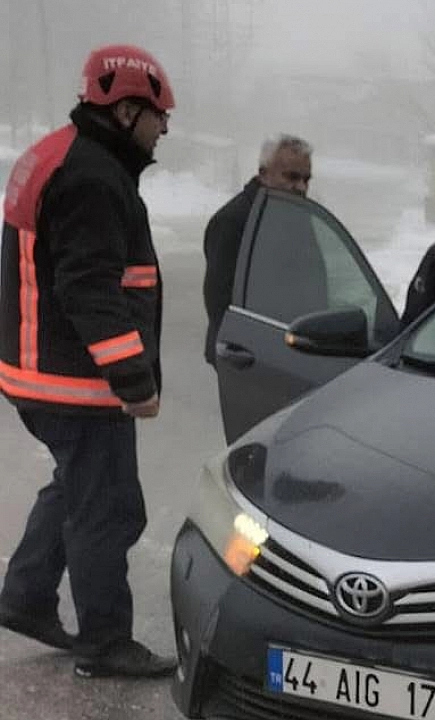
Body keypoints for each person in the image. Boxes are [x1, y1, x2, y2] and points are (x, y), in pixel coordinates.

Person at [0, 44, 178, 678]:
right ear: (127, 109)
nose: (163, 130)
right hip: (74, 381)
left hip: (39, 373)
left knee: (74, 487)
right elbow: (88, 288)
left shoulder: (63, 154)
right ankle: (104, 643)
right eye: (159, 116)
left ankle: (24, 597)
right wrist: (133, 378)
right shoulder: (93, 176)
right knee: (109, 508)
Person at [201, 134, 313, 364]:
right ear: (264, 174)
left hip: (294, 353)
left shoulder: (301, 220)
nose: (301, 187)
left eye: (306, 179)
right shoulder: (233, 222)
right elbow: (221, 304)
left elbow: (315, 286)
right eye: (291, 177)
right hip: (246, 358)